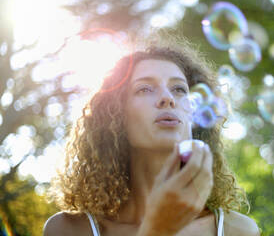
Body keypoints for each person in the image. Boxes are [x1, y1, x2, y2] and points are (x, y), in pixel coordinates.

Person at [43, 32, 260, 236]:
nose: (168, 98)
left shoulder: (237, 230)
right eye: (145, 89)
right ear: (117, 116)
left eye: (179, 89)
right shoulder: (70, 229)